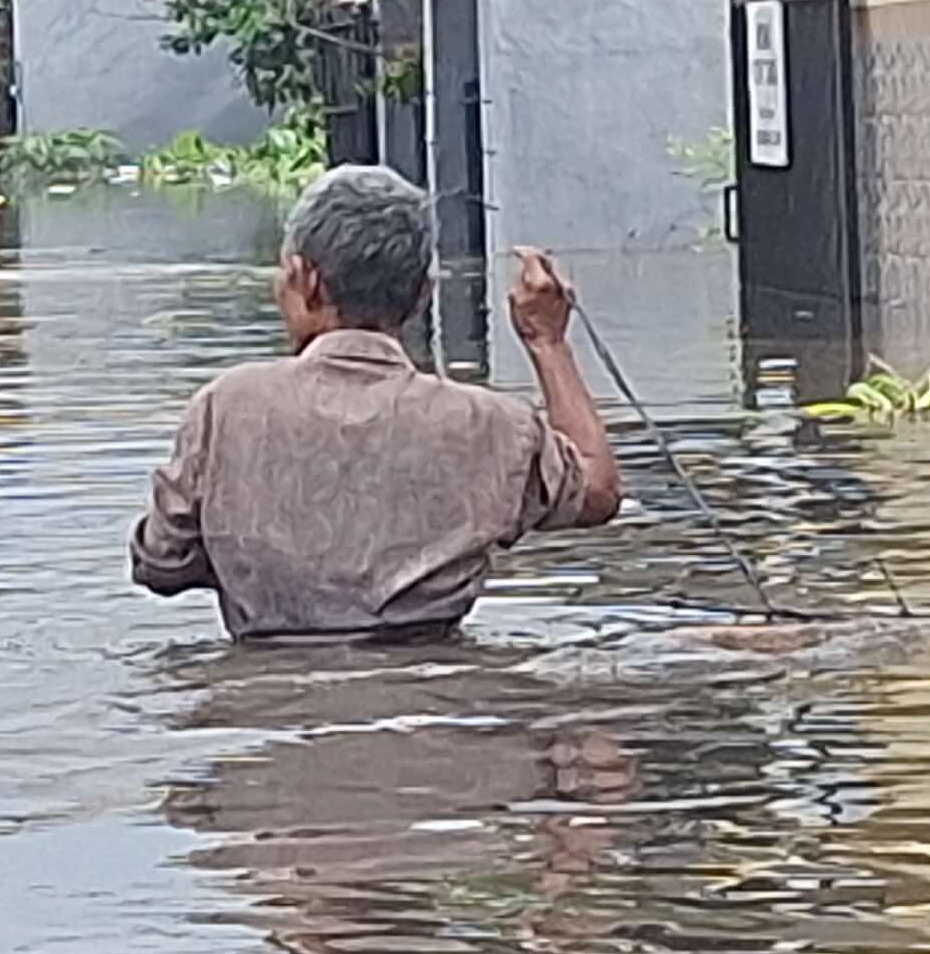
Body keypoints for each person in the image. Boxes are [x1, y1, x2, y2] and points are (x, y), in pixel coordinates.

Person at [132, 165, 624, 642]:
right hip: (446, 702)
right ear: (422, 296)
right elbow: (597, 493)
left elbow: (161, 562)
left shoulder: (226, 407)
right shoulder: (494, 425)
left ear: (306, 279)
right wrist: (546, 342)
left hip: (266, 711)